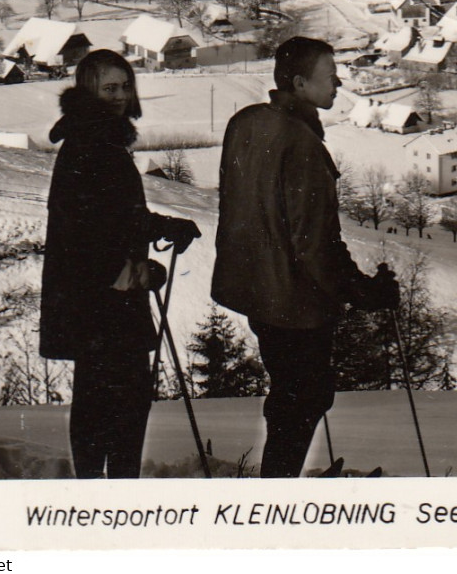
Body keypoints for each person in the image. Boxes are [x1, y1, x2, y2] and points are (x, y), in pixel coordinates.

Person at [212, 35, 398, 478]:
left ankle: (281, 482)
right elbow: (315, 243)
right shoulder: (302, 144)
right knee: (305, 396)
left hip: (260, 293)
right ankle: (281, 492)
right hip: (296, 301)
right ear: (299, 82)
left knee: (290, 394)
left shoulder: (246, 124)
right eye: (329, 76)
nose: (338, 83)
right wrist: (365, 290)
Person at [40, 49, 201, 479]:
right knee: (114, 405)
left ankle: (106, 492)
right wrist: (134, 273)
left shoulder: (100, 140)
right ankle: (107, 498)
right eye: (109, 87)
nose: (120, 95)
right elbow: (80, 231)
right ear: (87, 90)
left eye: (126, 85)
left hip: (103, 300)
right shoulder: (91, 144)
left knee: (113, 402)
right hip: (101, 302)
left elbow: (114, 215)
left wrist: (163, 225)